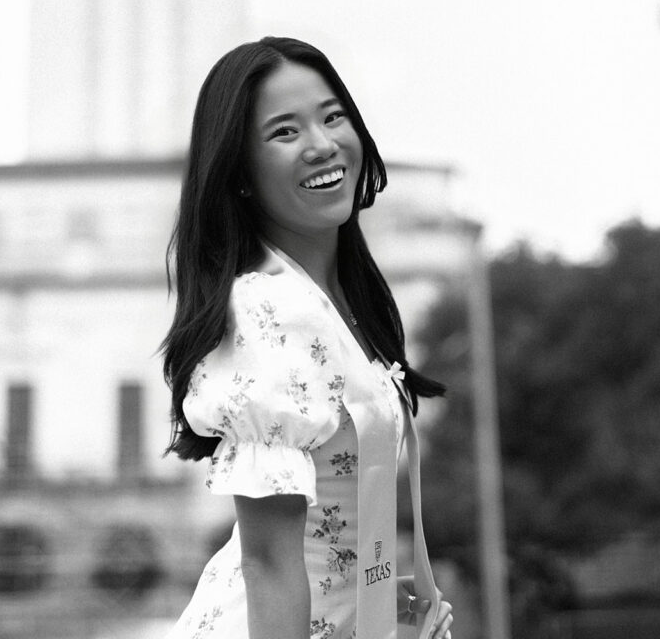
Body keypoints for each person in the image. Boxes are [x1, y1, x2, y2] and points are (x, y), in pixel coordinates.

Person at [162, 37, 453, 639]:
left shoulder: (337, 302)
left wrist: (374, 598)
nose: (322, 144)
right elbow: (268, 564)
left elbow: (328, 535)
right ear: (240, 172)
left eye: (332, 116)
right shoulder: (266, 307)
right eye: (285, 132)